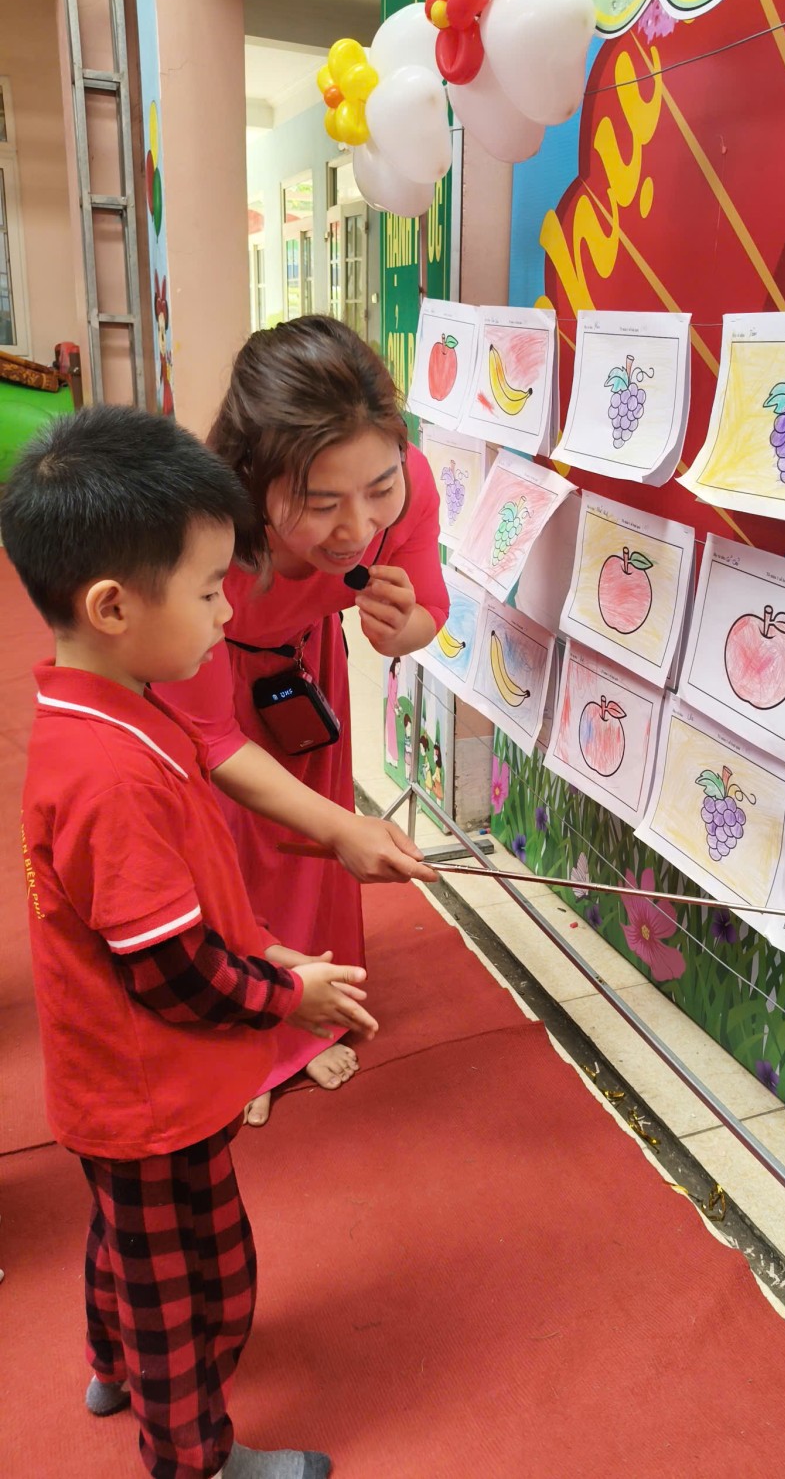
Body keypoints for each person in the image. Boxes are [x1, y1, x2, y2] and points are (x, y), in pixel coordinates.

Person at [4, 404, 379, 1479]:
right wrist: (289, 997)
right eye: (210, 588)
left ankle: (109, 1362)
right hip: (151, 1094)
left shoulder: (115, 705)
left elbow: (185, 900)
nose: (226, 611)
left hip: (123, 1089)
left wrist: (272, 949)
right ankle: (195, 1459)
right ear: (113, 606)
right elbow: (170, 970)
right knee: (192, 1285)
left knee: (125, 1242)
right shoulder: (109, 775)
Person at [158, 317, 447, 1126]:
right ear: (253, 479)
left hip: (300, 671)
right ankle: (241, 1028)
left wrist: (403, 627)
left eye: (378, 490)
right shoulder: (204, 531)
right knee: (221, 854)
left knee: (306, 862)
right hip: (200, 671)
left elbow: (428, 609)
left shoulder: (407, 482)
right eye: (320, 504)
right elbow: (213, 740)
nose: (357, 528)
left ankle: (303, 1013)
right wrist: (344, 828)